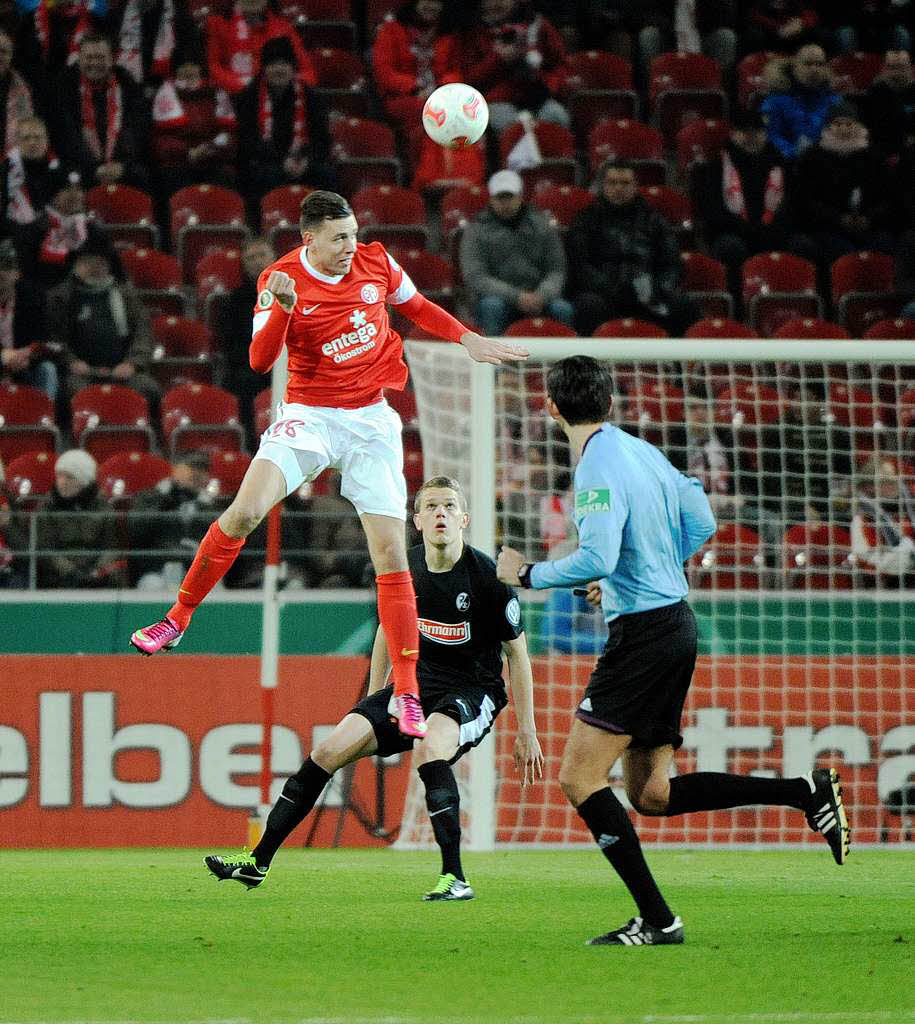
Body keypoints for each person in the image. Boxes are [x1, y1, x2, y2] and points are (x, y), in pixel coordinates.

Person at [129, 189, 528, 741]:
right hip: (311, 416)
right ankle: (177, 619)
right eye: (339, 237)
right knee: (244, 513)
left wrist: (468, 339)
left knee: (390, 554)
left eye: (353, 233)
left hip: (371, 422)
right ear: (308, 238)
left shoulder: (375, 261)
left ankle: (407, 692)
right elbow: (258, 361)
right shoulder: (279, 281)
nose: (350, 245)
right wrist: (285, 310)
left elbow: (414, 306)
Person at [496, 354, 850, 946]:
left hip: (643, 636)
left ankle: (659, 920)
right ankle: (803, 793)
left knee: (578, 779)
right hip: (674, 625)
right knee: (651, 794)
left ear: (552, 407)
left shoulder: (594, 468)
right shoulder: (642, 451)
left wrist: (526, 572)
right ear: (609, 403)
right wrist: (648, 566)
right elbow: (703, 519)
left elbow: (598, 559)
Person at [204, 475, 543, 897]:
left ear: (464, 519)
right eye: (432, 507)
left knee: (429, 747)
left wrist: (527, 730)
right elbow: (389, 628)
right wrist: (373, 698)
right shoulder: (405, 570)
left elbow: (518, 656)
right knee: (329, 750)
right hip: (414, 686)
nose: (442, 513)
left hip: (473, 691)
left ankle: (455, 877)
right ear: (417, 521)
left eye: (450, 507)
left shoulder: (488, 580)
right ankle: (257, 862)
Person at [566, 159, 699, 337]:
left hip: (649, 294)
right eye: (612, 183)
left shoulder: (654, 220)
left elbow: (673, 264)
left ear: (635, 185)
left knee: (684, 306)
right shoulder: (586, 219)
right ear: (603, 185)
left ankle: (678, 364)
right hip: (605, 295)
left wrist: (657, 289)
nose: (618, 188)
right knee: (588, 306)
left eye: (625, 183)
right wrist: (612, 289)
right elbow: (579, 266)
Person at [47, 231, 159, 409]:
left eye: (99, 263)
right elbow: (54, 338)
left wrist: (132, 364)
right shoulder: (61, 297)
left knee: (148, 389)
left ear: (108, 265)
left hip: (122, 369)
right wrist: (70, 361)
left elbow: (143, 333)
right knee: (75, 392)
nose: (94, 268)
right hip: (81, 372)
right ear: (76, 265)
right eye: (87, 263)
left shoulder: (125, 294)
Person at [788, 102, 898, 277]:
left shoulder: (874, 157)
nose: (844, 129)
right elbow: (805, 201)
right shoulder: (812, 158)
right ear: (828, 127)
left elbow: (890, 198)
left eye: (849, 124)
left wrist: (869, 218)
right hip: (827, 228)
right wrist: (838, 219)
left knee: (884, 244)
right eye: (838, 124)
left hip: (869, 226)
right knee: (839, 249)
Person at [459, 168, 574, 336]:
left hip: (539, 296)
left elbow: (556, 269)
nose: (505, 203)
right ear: (491, 199)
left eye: (510, 197)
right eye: (500, 198)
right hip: (497, 297)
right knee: (491, 307)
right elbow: (476, 276)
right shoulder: (476, 231)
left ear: (520, 197)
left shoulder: (542, 225)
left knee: (563, 309)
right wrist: (516, 296)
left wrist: (542, 294)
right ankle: (493, 360)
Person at [689, 106, 789, 297]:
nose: (751, 137)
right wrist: (746, 228)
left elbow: (789, 206)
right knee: (731, 248)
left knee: (799, 245)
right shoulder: (714, 168)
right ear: (734, 134)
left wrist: (770, 228)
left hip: (771, 231)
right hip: (730, 233)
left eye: (757, 132)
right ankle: (736, 303)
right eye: (745, 132)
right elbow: (711, 211)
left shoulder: (780, 164)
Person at [233, 36, 336, 199]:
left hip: (303, 161)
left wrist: (305, 160)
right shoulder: (248, 98)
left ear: (293, 67)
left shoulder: (311, 97)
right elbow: (247, 142)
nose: (278, 69)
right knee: (257, 177)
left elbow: (322, 139)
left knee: (327, 176)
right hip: (266, 163)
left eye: (284, 64)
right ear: (264, 68)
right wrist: (281, 162)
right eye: (273, 64)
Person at [51, 32, 151, 190]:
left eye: (100, 57)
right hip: (81, 173)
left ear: (112, 59)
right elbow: (63, 138)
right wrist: (93, 170)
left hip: (124, 172)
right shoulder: (62, 89)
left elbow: (139, 131)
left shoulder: (129, 86)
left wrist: (122, 167)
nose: (94, 63)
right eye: (89, 57)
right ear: (79, 59)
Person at [455, 0, 571, 135]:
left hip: (538, 97)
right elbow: (469, 79)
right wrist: (498, 59)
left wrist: (549, 86)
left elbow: (561, 65)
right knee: (512, 128)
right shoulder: (472, 32)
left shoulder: (538, 25)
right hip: (496, 100)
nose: (496, 4)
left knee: (557, 116)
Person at [34, 448, 126, 588]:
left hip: (98, 574)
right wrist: (71, 572)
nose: (62, 482)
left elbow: (111, 546)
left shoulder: (103, 507)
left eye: (69, 477)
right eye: (59, 476)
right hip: (59, 576)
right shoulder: (47, 508)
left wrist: (97, 571)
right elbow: (46, 550)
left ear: (84, 481)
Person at [205, 0, 314, 97]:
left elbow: (308, 74)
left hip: (275, 98)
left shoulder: (283, 27)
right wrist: (244, 88)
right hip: (232, 98)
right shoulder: (217, 24)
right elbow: (213, 67)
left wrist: (280, 84)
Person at [0, 237, 58, 400]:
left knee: (48, 369)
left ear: (17, 274)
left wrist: (28, 354)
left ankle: (43, 421)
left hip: (25, 364)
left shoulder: (32, 298)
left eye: (6, 268)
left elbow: (47, 340)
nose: (1, 273)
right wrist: (3, 356)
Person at [760, 44, 841, 161]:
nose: (814, 69)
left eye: (819, 64)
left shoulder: (835, 101)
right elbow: (771, 136)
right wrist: (796, 154)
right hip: (788, 165)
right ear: (795, 67)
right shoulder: (775, 102)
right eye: (808, 64)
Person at [860, 50, 915, 161]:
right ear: (884, 69)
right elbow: (871, 127)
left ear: (910, 68)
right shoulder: (874, 92)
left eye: (902, 67)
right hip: (882, 148)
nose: (897, 72)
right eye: (892, 67)